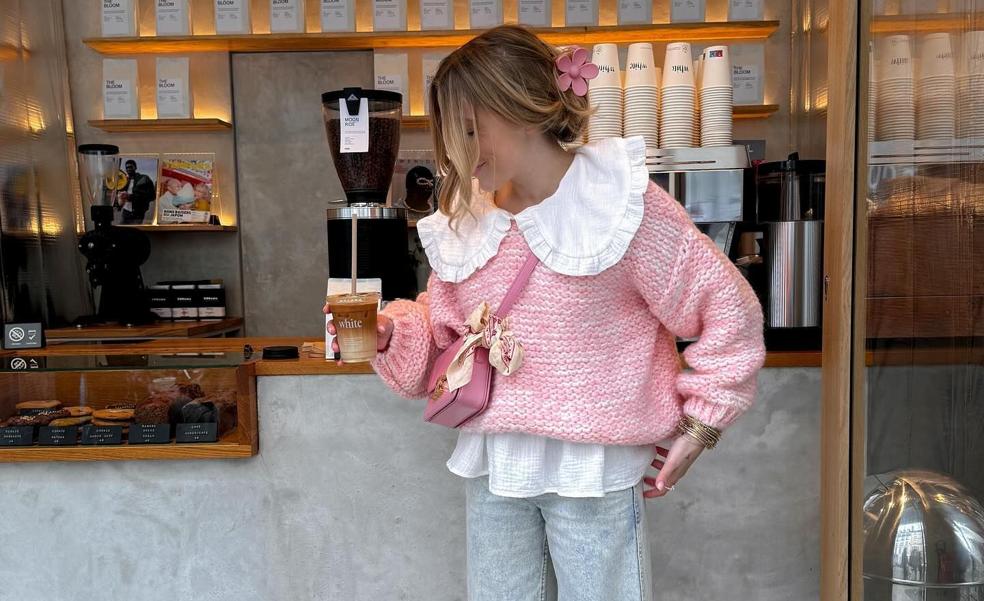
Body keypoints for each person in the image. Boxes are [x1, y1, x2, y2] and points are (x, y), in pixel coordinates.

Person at [324, 25, 765, 601]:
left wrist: (700, 424)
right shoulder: (469, 219)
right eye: (451, 134)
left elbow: (728, 310)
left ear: (523, 110)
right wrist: (386, 332)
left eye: (470, 130)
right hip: (494, 466)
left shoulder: (618, 205)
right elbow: (442, 331)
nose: (456, 153)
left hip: (595, 470)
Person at [118, 160, 155, 224]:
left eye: (130, 167)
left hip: (138, 213)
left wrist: (131, 197)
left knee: (134, 230)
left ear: (135, 167)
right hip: (125, 212)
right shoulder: (124, 181)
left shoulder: (144, 179)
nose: (128, 169)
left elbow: (152, 196)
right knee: (121, 229)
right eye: (127, 168)